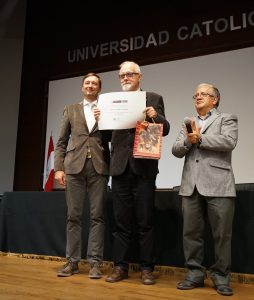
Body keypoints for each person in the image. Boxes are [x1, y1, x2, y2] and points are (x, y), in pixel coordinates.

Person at [104, 61, 170, 285]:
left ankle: (146, 268)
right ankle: (120, 266)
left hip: (144, 168)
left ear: (139, 76)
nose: (125, 78)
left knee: (145, 222)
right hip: (120, 169)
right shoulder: (112, 100)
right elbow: (105, 134)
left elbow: (165, 129)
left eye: (130, 74)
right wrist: (99, 117)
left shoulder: (153, 98)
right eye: (122, 75)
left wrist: (155, 116)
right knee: (120, 222)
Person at [172, 83, 238, 296]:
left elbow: (229, 141)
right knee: (190, 234)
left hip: (219, 184)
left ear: (215, 99)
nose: (198, 96)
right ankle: (194, 275)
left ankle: (221, 278)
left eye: (203, 94)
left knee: (221, 235)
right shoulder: (187, 123)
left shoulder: (226, 118)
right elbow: (176, 150)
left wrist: (200, 139)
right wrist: (189, 141)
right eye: (196, 94)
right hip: (190, 185)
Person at [54, 73, 110, 279]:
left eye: (94, 83)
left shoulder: (105, 109)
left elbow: (111, 138)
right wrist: (59, 168)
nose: (90, 85)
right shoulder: (71, 109)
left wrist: (102, 120)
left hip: (99, 166)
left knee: (97, 216)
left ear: (99, 88)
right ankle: (72, 262)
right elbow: (61, 141)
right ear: (82, 87)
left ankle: (95, 263)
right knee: (73, 216)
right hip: (73, 167)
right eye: (87, 82)